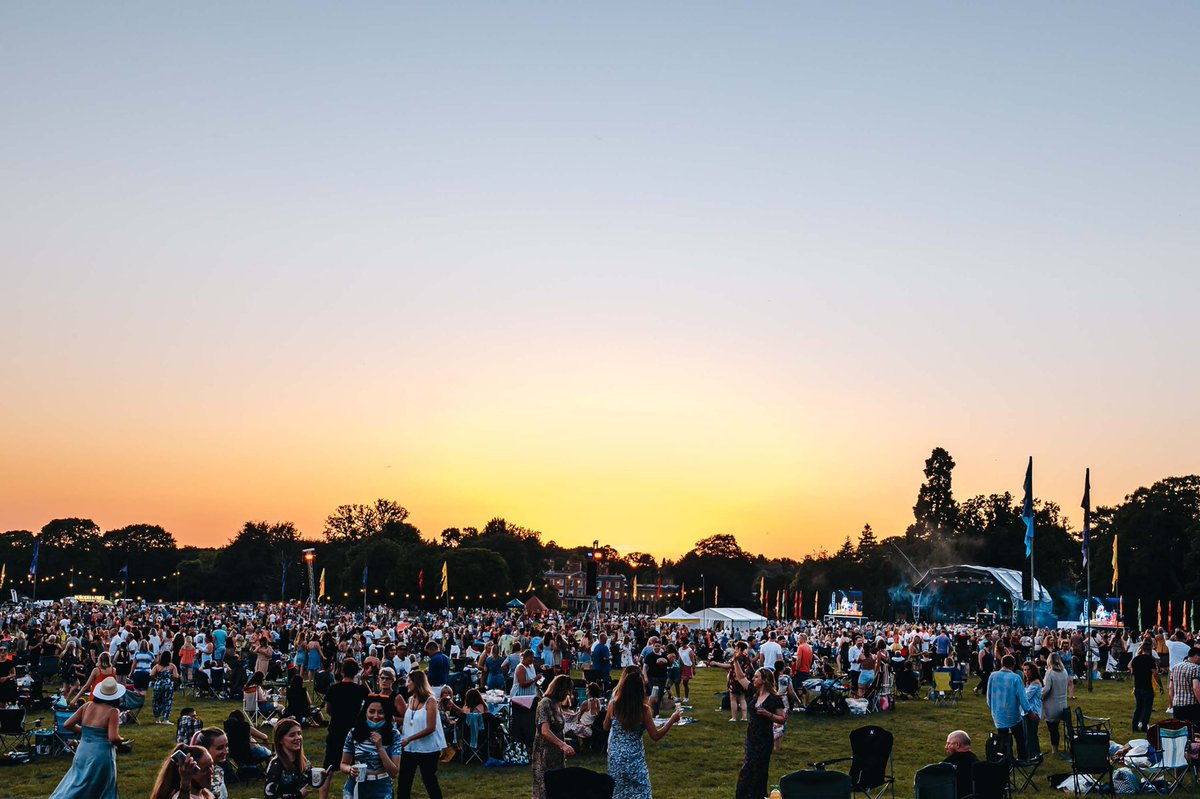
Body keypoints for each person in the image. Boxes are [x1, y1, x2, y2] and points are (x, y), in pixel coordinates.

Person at [604, 666, 682, 799]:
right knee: (640, 790)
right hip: (634, 757)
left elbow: (606, 726)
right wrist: (672, 720)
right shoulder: (643, 710)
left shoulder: (613, 705)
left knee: (618, 791)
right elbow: (655, 736)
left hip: (615, 755)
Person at [47, 676, 125, 799]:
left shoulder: (87, 706)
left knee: (77, 783)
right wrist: (122, 741)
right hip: (101, 754)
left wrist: (86, 732)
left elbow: (68, 724)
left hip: (83, 750)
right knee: (101, 787)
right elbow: (113, 737)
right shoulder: (113, 711)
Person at [730, 658, 786, 799]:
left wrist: (769, 714)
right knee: (748, 768)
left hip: (764, 738)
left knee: (759, 769)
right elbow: (741, 677)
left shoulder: (774, 699)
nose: (753, 679)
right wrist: (736, 661)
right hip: (752, 736)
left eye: (756, 677)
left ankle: (757, 795)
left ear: (765, 680)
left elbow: (782, 719)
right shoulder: (753, 693)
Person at [319, 659, 368, 799]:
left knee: (328, 768)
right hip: (353, 731)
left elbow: (328, 709)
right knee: (356, 768)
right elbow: (371, 698)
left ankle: (323, 797)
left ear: (341, 671)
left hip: (336, 729)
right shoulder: (359, 689)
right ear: (356, 672)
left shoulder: (334, 688)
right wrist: (364, 681)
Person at [339, 695, 401, 799]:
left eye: (381, 712)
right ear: (365, 713)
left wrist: (380, 747)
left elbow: (394, 773)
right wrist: (350, 769)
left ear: (387, 714)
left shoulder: (394, 735)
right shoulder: (354, 733)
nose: (376, 716)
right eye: (371, 711)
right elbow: (343, 764)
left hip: (381, 787)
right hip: (356, 786)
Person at [398, 670, 445, 799]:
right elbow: (409, 721)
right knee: (404, 782)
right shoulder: (411, 699)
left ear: (416, 683)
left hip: (427, 749)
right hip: (410, 749)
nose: (407, 684)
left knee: (429, 781)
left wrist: (409, 739)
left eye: (409, 682)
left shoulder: (430, 701)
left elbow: (431, 727)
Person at [532, 675, 576, 799]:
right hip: (545, 753)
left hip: (557, 754)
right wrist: (562, 744)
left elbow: (556, 728)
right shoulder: (545, 703)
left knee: (558, 788)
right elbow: (545, 731)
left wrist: (563, 740)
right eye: (568, 690)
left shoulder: (558, 704)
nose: (569, 694)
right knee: (545, 787)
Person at [986, 655, 1032, 759]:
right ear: (1014, 664)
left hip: (998, 713)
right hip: (1013, 713)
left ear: (1002, 663)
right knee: (1019, 737)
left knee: (1003, 738)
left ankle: (1006, 758)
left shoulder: (993, 676)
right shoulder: (1015, 677)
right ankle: (1022, 758)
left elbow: (989, 695)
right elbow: (1022, 697)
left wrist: (992, 707)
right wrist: (1028, 710)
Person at [265, 718, 316, 799]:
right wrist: (298, 795)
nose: (298, 737)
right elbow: (269, 797)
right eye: (292, 735)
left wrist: (321, 776)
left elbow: (312, 781)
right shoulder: (276, 765)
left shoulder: (303, 760)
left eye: (299, 733)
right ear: (280, 740)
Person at [150, 744, 215, 799]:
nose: (211, 772)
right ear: (189, 771)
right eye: (205, 769)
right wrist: (185, 782)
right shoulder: (177, 797)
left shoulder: (204, 794)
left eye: (211, 765)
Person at [1041, 653, 1070, 758]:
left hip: (1052, 704)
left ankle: (1055, 749)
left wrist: (1039, 695)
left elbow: (1046, 689)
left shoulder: (1050, 673)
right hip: (1062, 703)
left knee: (1052, 729)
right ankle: (1056, 748)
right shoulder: (1064, 672)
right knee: (1056, 727)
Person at [1130, 640, 1161, 732]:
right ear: (1151, 649)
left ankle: (1134, 726)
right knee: (1147, 708)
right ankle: (1144, 726)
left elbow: (1132, 671)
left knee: (1138, 707)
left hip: (1137, 686)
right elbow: (1155, 674)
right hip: (1147, 686)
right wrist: (1160, 685)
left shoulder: (1135, 659)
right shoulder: (1150, 660)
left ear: (1141, 648)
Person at [193, 727, 231, 799]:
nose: (226, 751)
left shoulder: (219, 770)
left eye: (226, 746)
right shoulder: (200, 776)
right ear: (205, 750)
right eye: (220, 748)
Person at [1167, 646, 1200, 725]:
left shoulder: (1175, 667)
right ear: (1196, 657)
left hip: (1177, 705)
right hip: (1191, 705)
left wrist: (1173, 702)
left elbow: (1171, 687)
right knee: (1194, 730)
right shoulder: (1195, 668)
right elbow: (1196, 688)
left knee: (1180, 731)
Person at [942, 730, 979, 799]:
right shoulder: (977, 762)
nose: (946, 747)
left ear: (957, 745)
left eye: (949, 743)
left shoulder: (950, 762)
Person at [1020, 661, 1042, 758]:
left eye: (1028, 670)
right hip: (1026, 712)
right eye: (1024, 670)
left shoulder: (1035, 683)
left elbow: (1026, 697)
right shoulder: (1028, 682)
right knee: (1028, 735)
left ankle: (1033, 756)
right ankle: (1032, 755)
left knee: (1030, 736)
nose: (1026, 672)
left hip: (1032, 711)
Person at [152, 649, 181, 725]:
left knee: (157, 701)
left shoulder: (157, 666)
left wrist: (156, 680)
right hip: (168, 684)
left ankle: (157, 719)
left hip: (158, 684)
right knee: (167, 701)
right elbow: (175, 676)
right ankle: (165, 719)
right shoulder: (172, 666)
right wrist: (174, 680)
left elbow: (151, 674)